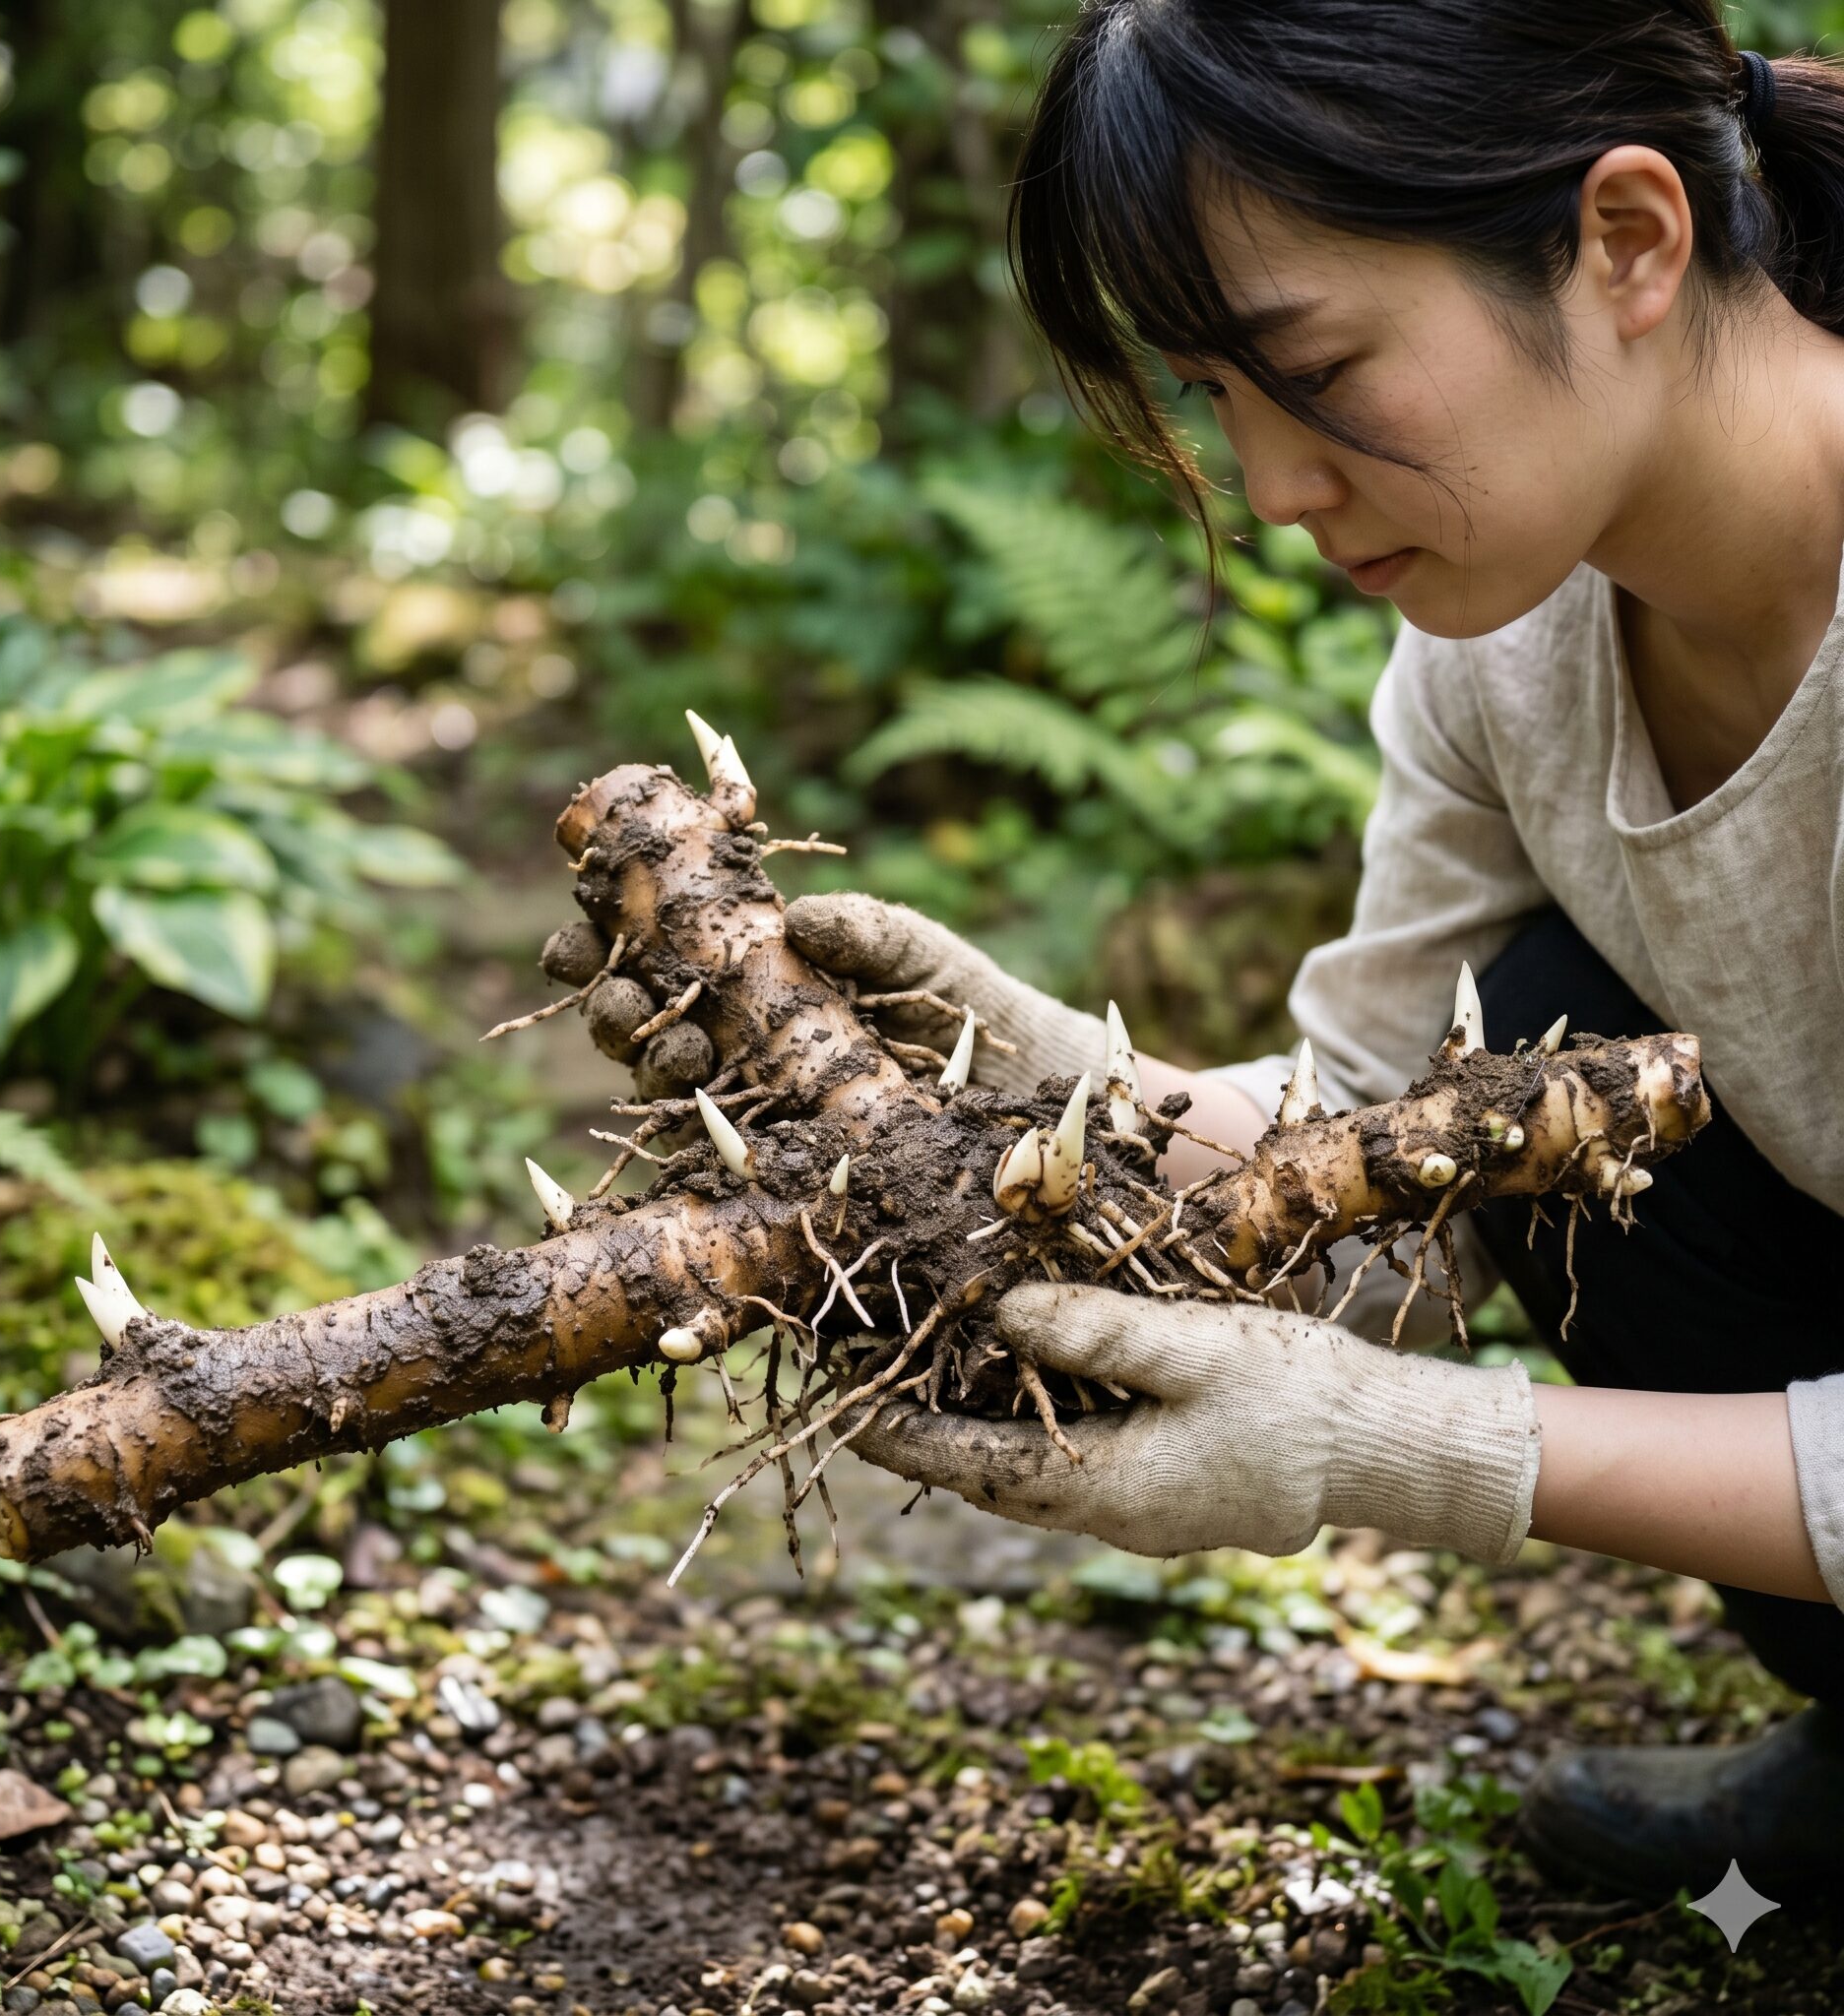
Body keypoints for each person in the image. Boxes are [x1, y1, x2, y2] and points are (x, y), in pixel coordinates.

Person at [778, 0, 1844, 1905]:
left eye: (1315, 367)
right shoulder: (1497, 656)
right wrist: (1043, 1104)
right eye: (1214, 398)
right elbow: (1364, 1177)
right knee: (1504, 1059)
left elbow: (1391, 1373)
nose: (1270, 487)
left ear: (1626, 240)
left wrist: (1423, 1452)